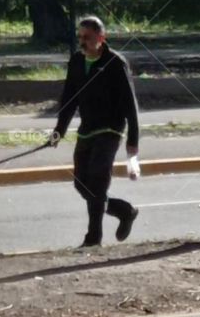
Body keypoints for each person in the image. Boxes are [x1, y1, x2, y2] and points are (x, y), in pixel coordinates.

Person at [47, 15, 139, 248]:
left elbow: (130, 103)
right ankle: (124, 210)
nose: (82, 42)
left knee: (97, 181)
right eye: (80, 37)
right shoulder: (77, 61)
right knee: (81, 183)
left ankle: (93, 237)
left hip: (110, 129)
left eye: (87, 37)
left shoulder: (115, 63)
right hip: (87, 129)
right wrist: (59, 131)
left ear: (101, 37)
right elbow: (69, 99)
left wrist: (133, 141)